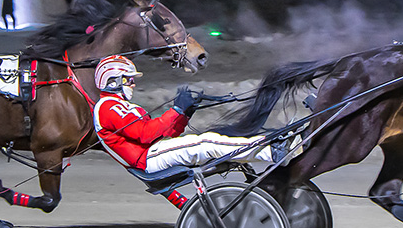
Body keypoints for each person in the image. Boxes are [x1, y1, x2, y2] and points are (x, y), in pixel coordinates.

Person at [91, 55, 287, 174]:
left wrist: (184, 115)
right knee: (207, 143)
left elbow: (165, 134)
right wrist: (175, 110)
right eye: (129, 80)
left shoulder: (120, 106)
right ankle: (269, 150)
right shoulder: (108, 107)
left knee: (208, 141)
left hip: (154, 151)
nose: (133, 84)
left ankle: (267, 145)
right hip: (148, 158)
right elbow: (146, 134)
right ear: (113, 81)